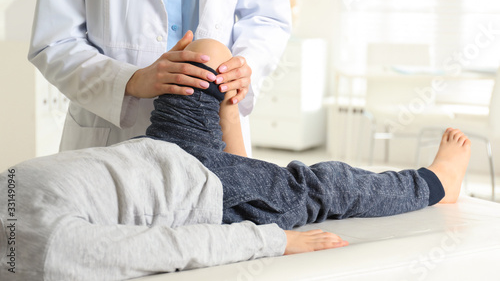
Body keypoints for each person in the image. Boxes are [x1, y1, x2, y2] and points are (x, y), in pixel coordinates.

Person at [1, 38, 471, 280]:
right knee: (326, 185)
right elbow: (170, 248)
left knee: (205, 54)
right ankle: (435, 182)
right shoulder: (47, 253)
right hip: (208, 195)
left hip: (160, 148)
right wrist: (273, 242)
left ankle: (241, 155)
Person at [28, 0, 292, 154]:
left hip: (217, 121)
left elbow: (267, 17)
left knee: (227, 214)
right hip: (114, 136)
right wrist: (130, 80)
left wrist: (246, 66)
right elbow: (55, 42)